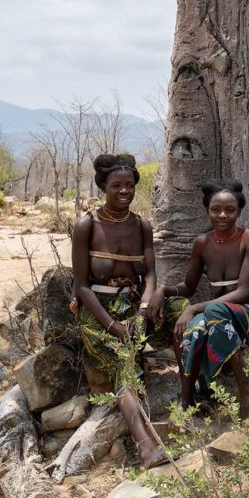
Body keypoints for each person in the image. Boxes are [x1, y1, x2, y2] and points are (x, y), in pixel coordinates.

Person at [70, 153, 171, 469]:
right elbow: (82, 286)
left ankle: (197, 399)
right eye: (117, 185)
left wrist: (144, 308)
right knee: (125, 357)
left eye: (129, 185)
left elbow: (151, 274)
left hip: (134, 307)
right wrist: (112, 324)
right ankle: (146, 447)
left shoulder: (142, 225)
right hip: (97, 312)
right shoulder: (86, 225)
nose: (124, 191)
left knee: (185, 314)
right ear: (103, 186)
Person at [150, 181, 249, 419]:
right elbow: (188, 287)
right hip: (217, 315)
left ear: (239, 212)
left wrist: (194, 308)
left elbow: (245, 290)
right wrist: (162, 291)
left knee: (212, 310)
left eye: (230, 210)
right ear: (207, 211)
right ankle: (188, 399)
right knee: (187, 331)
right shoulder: (202, 244)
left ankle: (245, 388)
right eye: (216, 209)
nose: (223, 215)